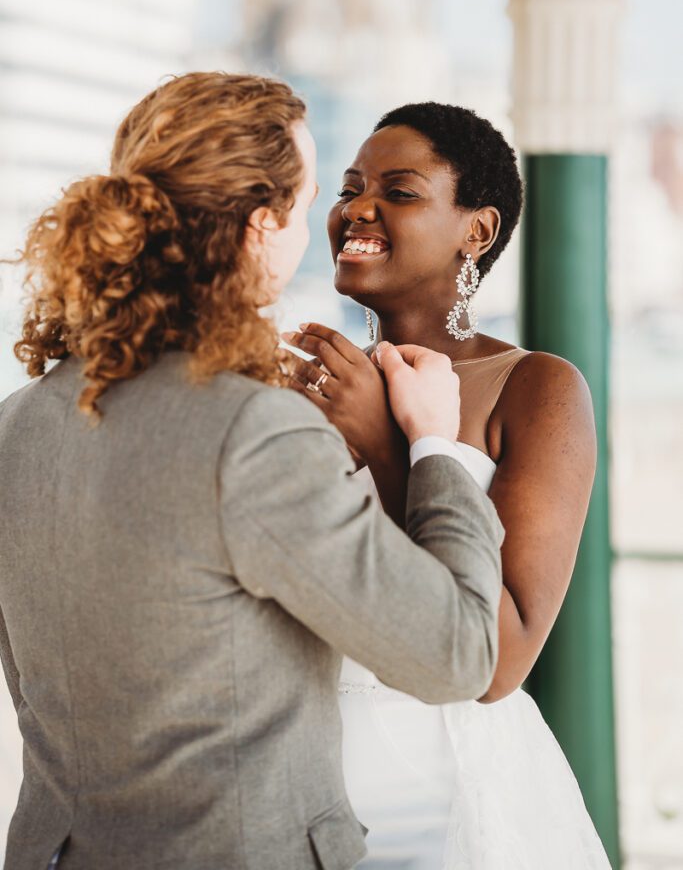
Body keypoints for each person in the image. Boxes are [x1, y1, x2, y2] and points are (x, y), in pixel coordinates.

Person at [0, 75, 506, 870]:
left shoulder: (17, 422)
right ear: (261, 225)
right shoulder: (253, 432)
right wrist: (434, 444)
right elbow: (455, 657)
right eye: (310, 207)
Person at [284, 102, 612, 868]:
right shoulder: (304, 385)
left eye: (397, 192)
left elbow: (500, 663)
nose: (357, 209)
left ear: (477, 230)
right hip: (299, 796)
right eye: (348, 188)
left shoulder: (536, 389)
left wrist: (386, 447)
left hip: (445, 795)